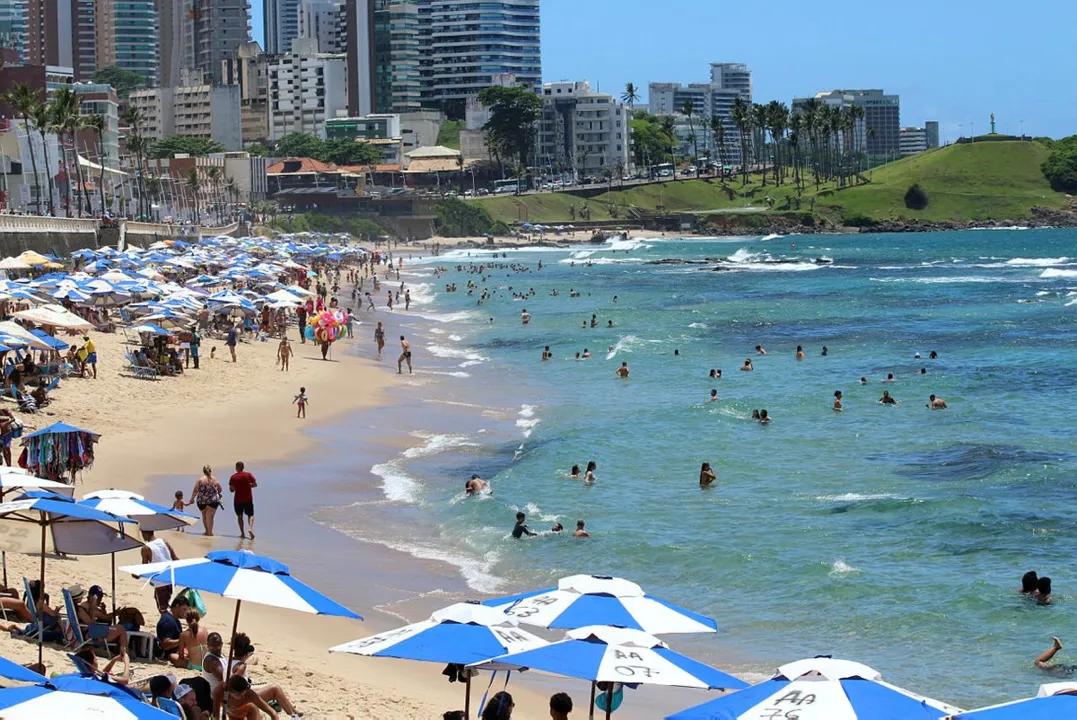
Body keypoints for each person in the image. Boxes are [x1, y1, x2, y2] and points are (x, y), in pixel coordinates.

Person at [74, 584, 129, 655]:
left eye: (101, 597)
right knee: (121, 628)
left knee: (116, 628)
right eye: (99, 597)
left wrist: (103, 609)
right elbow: (103, 618)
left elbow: (104, 619)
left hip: (91, 631)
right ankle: (125, 655)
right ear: (93, 597)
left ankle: (109, 648)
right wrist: (115, 613)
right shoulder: (86, 607)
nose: (100, 599)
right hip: (91, 633)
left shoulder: (86, 605)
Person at [141, 529, 180, 611]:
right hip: (171, 577)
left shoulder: (145, 548)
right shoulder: (164, 542)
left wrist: (136, 574)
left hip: (160, 582)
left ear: (145, 533)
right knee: (168, 603)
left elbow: (144, 568)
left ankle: (167, 622)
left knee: (163, 609)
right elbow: (176, 559)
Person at [212, 675, 280, 720]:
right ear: (230, 692)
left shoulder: (249, 694)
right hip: (233, 714)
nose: (243, 696)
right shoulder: (218, 692)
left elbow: (272, 712)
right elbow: (215, 716)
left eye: (244, 693)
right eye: (240, 695)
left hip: (250, 710)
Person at [188, 465, 223, 537]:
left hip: (202, 501)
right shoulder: (214, 479)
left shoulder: (200, 480)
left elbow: (195, 490)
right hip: (213, 501)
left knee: (204, 516)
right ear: (210, 471)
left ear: (204, 471)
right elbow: (220, 489)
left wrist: (192, 499)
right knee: (210, 517)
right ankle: (210, 533)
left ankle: (207, 531)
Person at [157, 594, 190, 666]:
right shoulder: (168, 621)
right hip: (170, 653)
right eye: (183, 609)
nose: (185, 613)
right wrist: (182, 640)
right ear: (177, 606)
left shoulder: (174, 619)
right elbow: (165, 644)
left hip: (179, 651)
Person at [229, 461, 257, 540]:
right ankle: (250, 528)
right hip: (248, 498)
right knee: (250, 515)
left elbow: (231, 490)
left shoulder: (233, 477)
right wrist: (248, 486)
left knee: (239, 516)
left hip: (238, 500)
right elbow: (255, 484)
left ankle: (242, 533)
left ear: (236, 468)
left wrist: (237, 488)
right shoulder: (248, 475)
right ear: (243, 467)